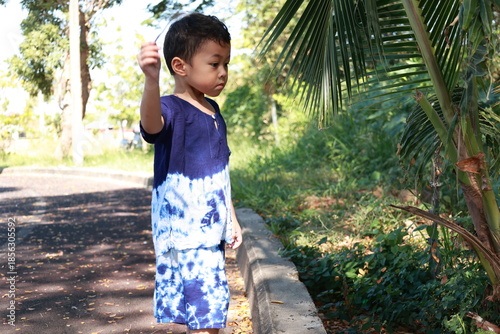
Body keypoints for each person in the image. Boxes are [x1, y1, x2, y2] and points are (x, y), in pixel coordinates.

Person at [137, 13, 243, 334]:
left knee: (206, 317)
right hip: (186, 235)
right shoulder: (170, 107)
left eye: (226, 63)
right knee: (208, 317)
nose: (223, 72)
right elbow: (151, 126)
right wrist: (151, 80)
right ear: (180, 66)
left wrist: (232, 218)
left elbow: (220, 172)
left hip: (208, 231)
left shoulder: (213, 110)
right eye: (214, 64)